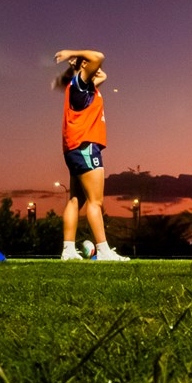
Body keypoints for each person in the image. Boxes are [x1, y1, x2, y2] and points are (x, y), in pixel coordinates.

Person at [53, 49, 129, 262]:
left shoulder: (81, 87)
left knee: (75, 199)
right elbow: (99, 56)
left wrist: (77, 64)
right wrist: (73, 53)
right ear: (85, 66)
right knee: (96, 202)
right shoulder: (79, 84)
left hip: (74, 148)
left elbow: (102, 73)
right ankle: (103, 250)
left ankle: (68, 250)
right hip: (85, 146)